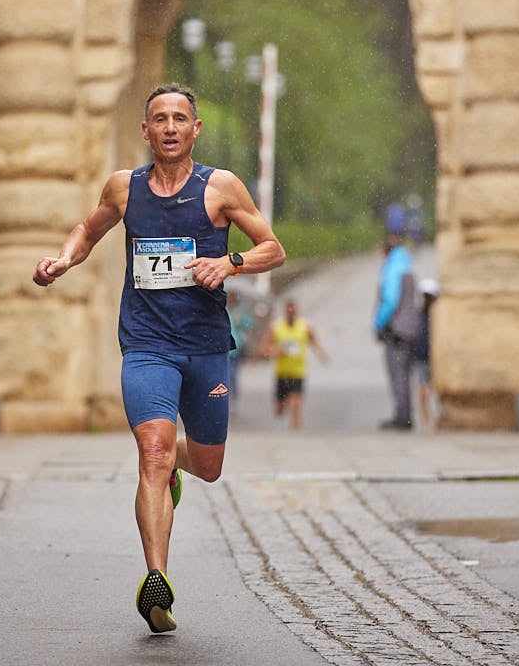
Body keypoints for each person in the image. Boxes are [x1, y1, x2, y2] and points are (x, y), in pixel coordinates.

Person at [31, 84, 285, 634]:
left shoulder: (218, 188)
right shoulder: (123, 188)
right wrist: (65, 260)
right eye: (159, 119)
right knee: (153, 448)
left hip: (206, 347)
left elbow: (274, 247)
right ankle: (156, 580)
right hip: (146, 345)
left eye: (180, 119)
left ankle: (176, 466)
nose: (170, 127)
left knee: (209, 465)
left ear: (195, 129)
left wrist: (231, 263)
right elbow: (89, 228)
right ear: (145, 131)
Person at [374, 234, 420, 429]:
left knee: (397, 375)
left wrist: (379, 323)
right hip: (410, 330)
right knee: (406, 375)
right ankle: (406, 414)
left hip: (396, 331)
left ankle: (402, 418)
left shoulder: (392, 269)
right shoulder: (407, 267)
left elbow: (390, 300)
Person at [262, 299, 329, 430]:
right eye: (288, 309)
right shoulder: (276, 327)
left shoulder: (305, 326)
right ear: (285, 311)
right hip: (281, 373)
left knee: (296, 404)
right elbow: (263, 350)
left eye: (293, 309)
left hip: (298, 372)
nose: (291, 312)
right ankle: (285, 401)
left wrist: (321, 354)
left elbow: (314, 342)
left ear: (297, 311)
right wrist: (277, 350)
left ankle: (295, 431)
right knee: (279, 411)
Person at [413, 278, 438, 430]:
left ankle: (431, 420)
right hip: (422, 357)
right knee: (423, 392)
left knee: (427, 391)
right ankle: (428, 421)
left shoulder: (438, 316)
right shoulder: (420, 316)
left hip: (434, 359)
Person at [225, 290, 254, 407]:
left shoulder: (240, 311)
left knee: (232, 374)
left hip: (235, 348)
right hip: (221, 347)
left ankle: (233, 398)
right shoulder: (222, 308)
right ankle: (225, 397)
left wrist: (241, 325)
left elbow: (249, 324)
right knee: (224, 375)